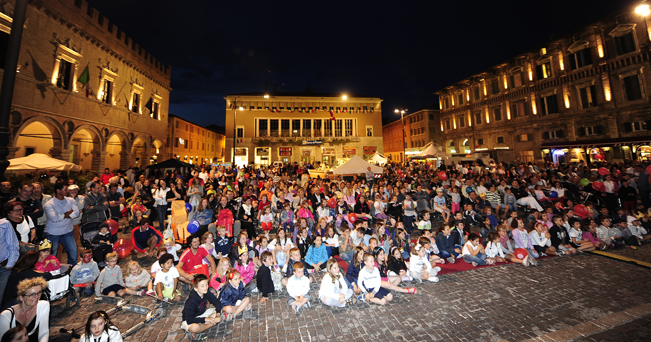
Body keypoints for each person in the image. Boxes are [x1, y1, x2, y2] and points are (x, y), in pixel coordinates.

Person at [0, 277, 50, 342]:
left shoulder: (43, 305)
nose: (37, 296)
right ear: (21, 298)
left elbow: (44, 333)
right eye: (32, 294)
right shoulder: (5, 316)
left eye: (38, 293)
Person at [43, 183, 80, 266]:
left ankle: (72, 270)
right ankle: (51, 270)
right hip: (53, 232)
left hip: (67, 230)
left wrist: (62, 215)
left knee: (73, 251)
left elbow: (77, 213)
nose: (67, 191)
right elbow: (54, 219)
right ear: (58, 190)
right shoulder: (49, 204)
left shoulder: (71, 200)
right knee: (52, 253)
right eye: (65, 189)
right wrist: (67, 214)